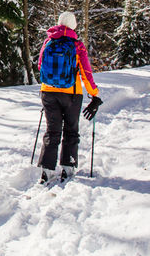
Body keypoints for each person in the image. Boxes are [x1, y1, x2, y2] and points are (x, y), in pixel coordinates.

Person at [37, 11, 102, 183]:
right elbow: (86, 73)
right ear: (73, 25)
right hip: (71, 94)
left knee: (52, 130)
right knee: (71, 130)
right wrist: (94, 95)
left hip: (48, 92)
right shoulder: (77, 45)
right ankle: (68, 166)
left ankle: (47, 169)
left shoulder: (48, 41)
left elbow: (40, 66)